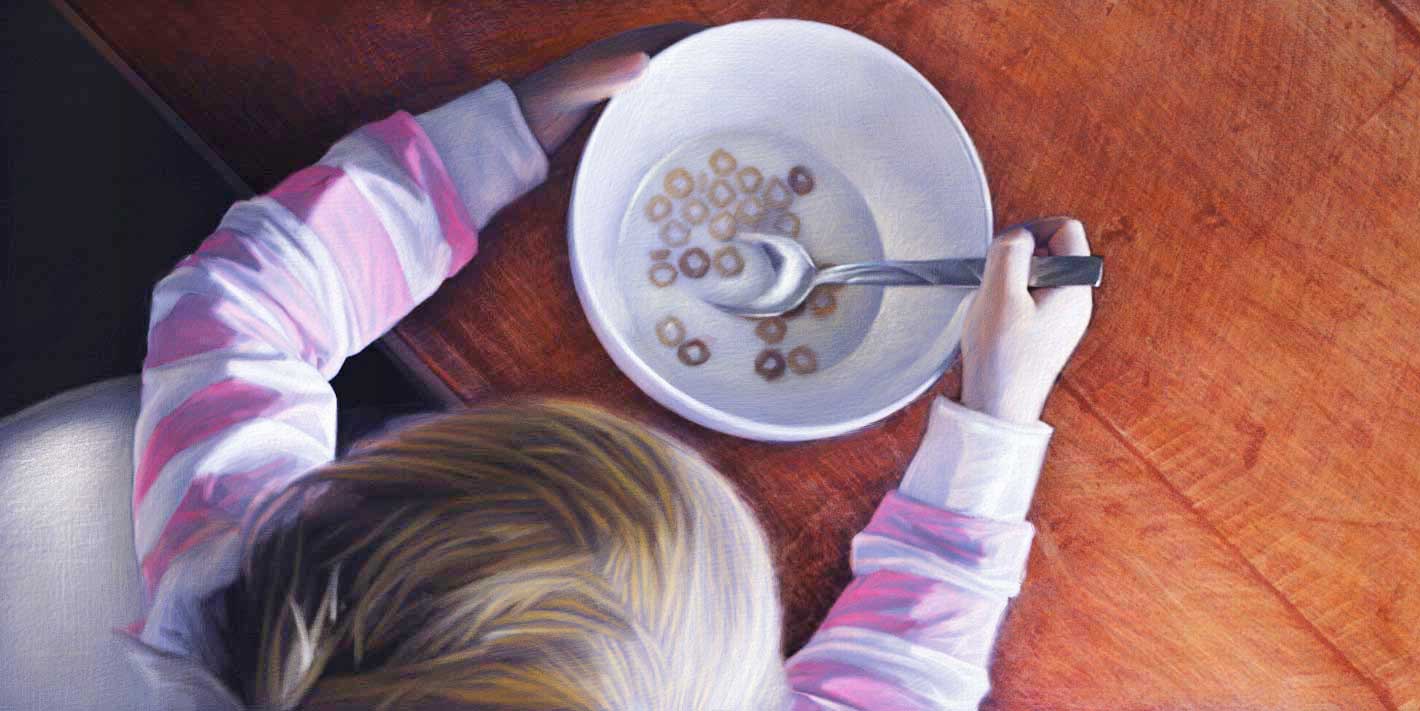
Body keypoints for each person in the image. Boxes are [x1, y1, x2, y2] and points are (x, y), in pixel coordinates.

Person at [120, 24, 1094, 710]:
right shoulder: (254, 568)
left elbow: (238, 306)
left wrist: (494, 139)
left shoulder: (234, 587)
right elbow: (898, 686)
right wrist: (997, 416)